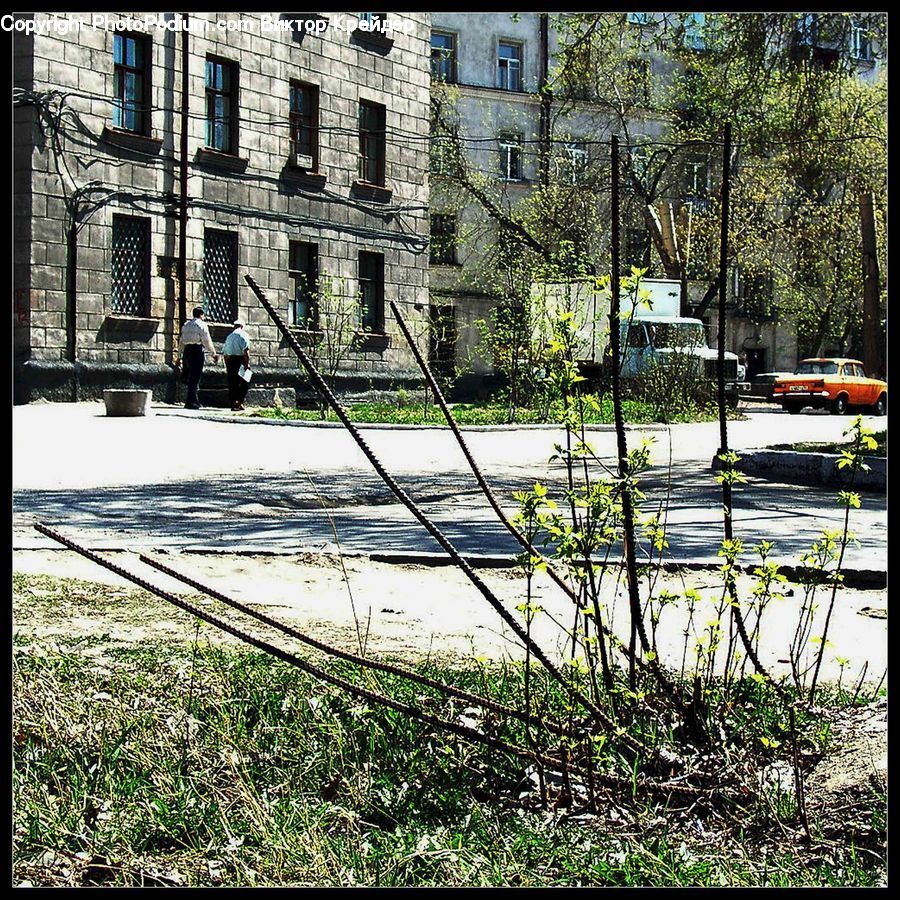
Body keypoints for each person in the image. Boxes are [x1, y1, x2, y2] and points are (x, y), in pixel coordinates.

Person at [174, 306, 218, 410]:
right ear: (201, 315)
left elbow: (181, 341)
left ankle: (192, 400)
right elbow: (207, 341)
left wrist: (178, 357)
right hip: (197, 351)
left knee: (190, 376)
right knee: (195, 376)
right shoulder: (202, 325)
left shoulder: (186, 325)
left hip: (187, 351)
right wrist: (213, 354)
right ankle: (192, 402)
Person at [222, 319, 251, 411]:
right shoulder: (244, 335)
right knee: (245, 383)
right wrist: (247, 363)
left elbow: (225, 353)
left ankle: (234, 403)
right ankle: (239, 401)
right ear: (242, 326)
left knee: (232, 383)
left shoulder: (229, 336)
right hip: (240, 360)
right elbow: (246, 351)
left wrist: (227, 365)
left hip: (230, 360)